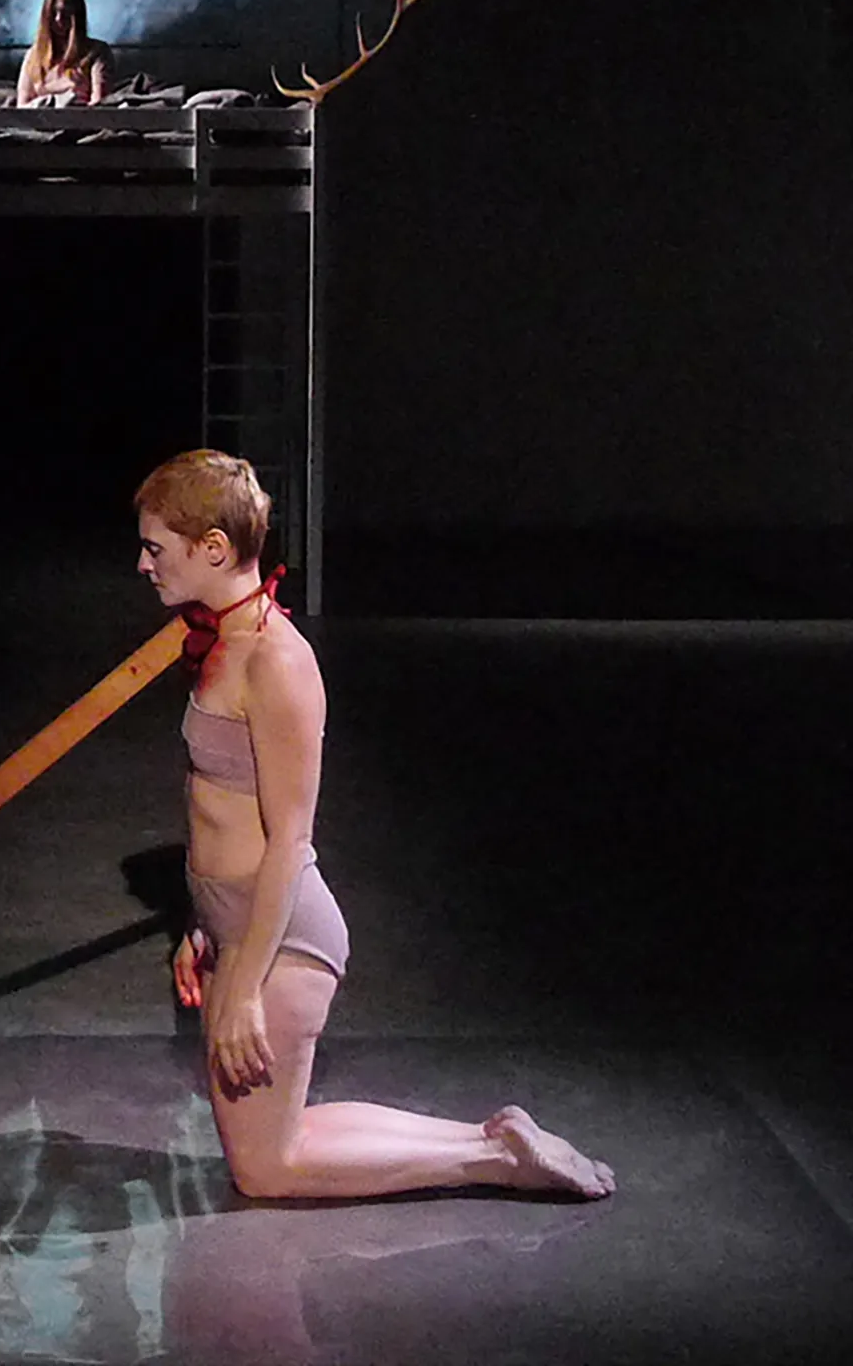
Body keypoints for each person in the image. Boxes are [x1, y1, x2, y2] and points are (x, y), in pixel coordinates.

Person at [134, 450, 616, 1202]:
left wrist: (246, 985)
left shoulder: (278, 662)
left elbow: (290, 838)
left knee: (267, 1168)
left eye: (156, 547)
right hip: (237, 923)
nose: (144, 564)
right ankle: (493, 1142)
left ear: (214, 548)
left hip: (279, 935)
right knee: (275, 1142)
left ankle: (491, 1160)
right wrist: (203, 925)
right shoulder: (228, 645)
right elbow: (218, 808)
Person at [15, 0, 113, 107]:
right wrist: (48, 102)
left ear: (77, 16)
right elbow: (22, 106)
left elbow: (99, 104)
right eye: (53, 13)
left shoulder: (97, 53)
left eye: (65, 14)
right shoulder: (34, 56)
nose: (58, 19)